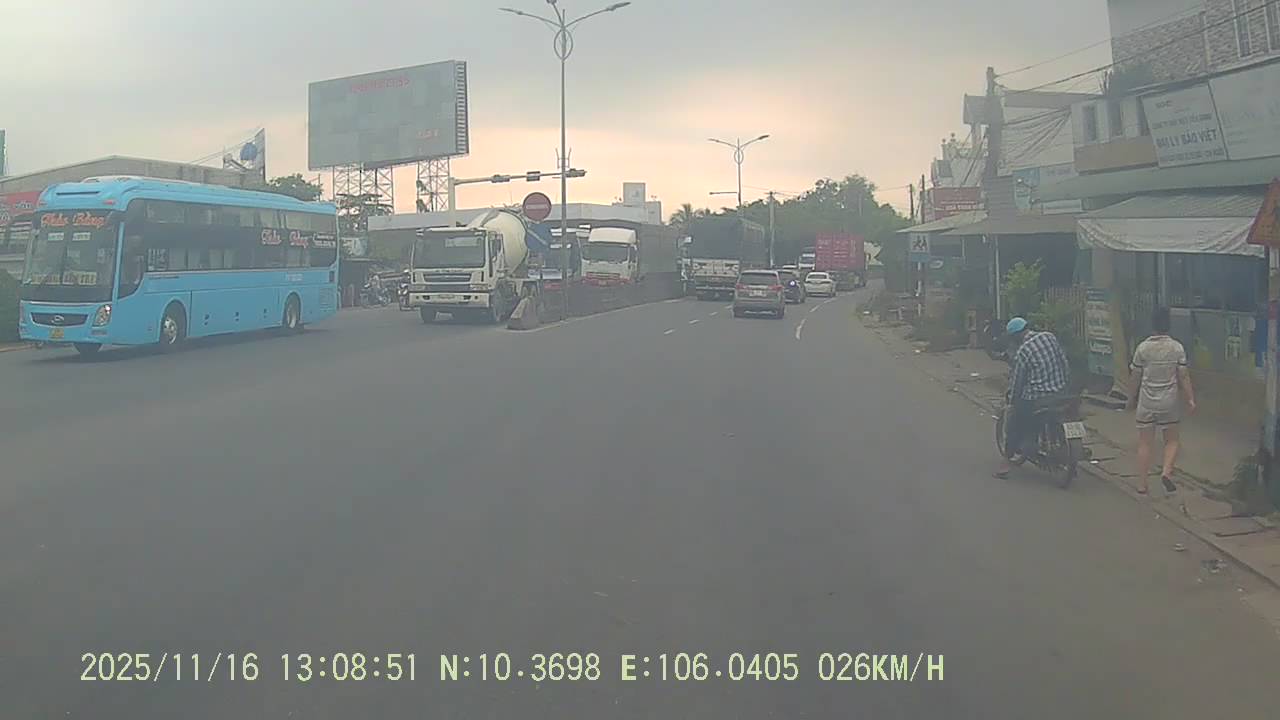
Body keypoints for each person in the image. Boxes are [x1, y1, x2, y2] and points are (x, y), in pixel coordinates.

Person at [1128, 306, 1195, 495]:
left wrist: (1130, 398)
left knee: (1144, 443)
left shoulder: (1142, 348)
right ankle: (1166, 472)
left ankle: (1142, 484)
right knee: (1172, 441)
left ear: (1152, 325)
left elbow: (1135, 377)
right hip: (1169, 402)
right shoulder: (1176, 348)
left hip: (1147, 401)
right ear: (1168, 325)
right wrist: (1190, 399)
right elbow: (1183, 376)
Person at [995, 317, 1071, 478]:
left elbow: (1018, 381)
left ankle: (1006, 460)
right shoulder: (1049, 336)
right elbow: (1064, 362)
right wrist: (1064, 383)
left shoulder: (1023, 352)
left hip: (1038, 398)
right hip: (1060, 392)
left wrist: (1012, 399)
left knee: (1014, 419)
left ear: (1016, 336)